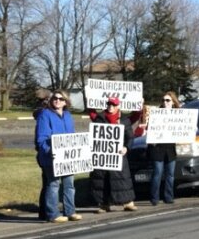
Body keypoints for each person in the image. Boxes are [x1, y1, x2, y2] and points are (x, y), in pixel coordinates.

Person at [35, 91, 81, 223]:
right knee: (53, 184)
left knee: (69, 185)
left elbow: (72, 135)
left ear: (65, 102)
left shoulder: (67, 115)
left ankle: (70, 211)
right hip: (50, 157)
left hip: (67, 157)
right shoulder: (45, 114)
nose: (57, 100)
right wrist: (49, 150)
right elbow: (41, 138)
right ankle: (53, 214)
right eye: (55, 98)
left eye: (61, 99)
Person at [90, 97, 137, 212]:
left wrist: (126, 147)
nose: (111, 106)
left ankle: (128, 202)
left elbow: (130, 137)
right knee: (102, 180)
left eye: (113, 104)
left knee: (123, 179)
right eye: (109, 104)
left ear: (118, 106)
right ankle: (103, 204)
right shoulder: (100, 118)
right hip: (103, 155)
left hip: (119, 154)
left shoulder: (124, 120)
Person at [135, 92, 181, 205]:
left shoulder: (178, 115)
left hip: (170, 148)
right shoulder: (156, 114)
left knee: (170, 174)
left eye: (168, 100)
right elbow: (150, 129)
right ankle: (154, 198)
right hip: (157, 148)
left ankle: (168, 197)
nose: (165, 102)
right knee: (158, 173)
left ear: (173, 102)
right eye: (163, 100)